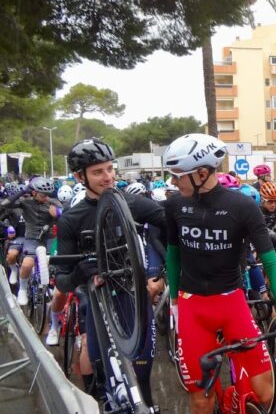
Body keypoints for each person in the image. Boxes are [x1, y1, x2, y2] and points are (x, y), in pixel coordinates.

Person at [162, 133, 276, 414]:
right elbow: (173, 255)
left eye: (178, 175)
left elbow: (270, 262)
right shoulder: (173, 205)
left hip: (232, 303)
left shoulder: (242, 206)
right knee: (200, 403)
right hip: (194, 307)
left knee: (264, 390)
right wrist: (174, 303)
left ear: (201, 173)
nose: (173, 181)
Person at [52, 138, 164, 398]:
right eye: (98, 172)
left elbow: (166, 223)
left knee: (142, 372)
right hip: (95, 295)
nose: (107, 177)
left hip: (131, 293)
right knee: (97, 362)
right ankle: (98, 398)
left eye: (110, 169)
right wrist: (83, 271)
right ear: (81, 177)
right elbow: (63, 281)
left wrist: (161, 274)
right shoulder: (71, 219)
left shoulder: (132, 204)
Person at [1, 176, 61, 308]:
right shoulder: (25, 202)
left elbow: (66, 217)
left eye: (48, 195)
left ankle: (49, 288)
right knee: (27, 264)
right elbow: (4, 204)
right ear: (34, 193)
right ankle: (22, 289)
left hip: (50, 238)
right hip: (32, 238)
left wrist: (58, 214)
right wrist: (23, 191)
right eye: (43, 195)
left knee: (54, 265)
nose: (46, 198)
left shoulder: (53, 202)